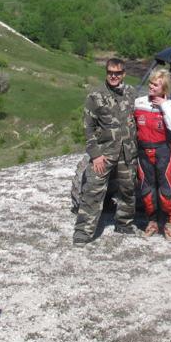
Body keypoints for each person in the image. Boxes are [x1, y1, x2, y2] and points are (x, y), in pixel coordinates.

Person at [74, 58, 138, 245]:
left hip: (127, 153)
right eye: (110, 72)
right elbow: (87, 127)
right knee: (92, 191)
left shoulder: (132, 93)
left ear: (123, 74)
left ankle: (124, 223)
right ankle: (83, 233)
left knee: (128, 190)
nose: (113, 76)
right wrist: (95, 155)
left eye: (117, 73)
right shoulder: (95, 96)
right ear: (106, 72)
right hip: (104, 153)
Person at [134, 68, 171, 240]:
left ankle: (168, 224)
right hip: (143, 152)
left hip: (163, 152)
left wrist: (163, 105)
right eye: (151, 83)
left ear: (164, 89)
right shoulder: (139, 102)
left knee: (166, 191)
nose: (152, 87)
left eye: (156, 85)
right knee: (147, 191)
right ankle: (152, 222)